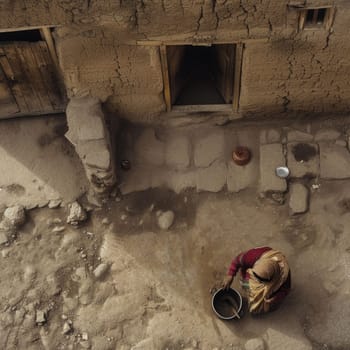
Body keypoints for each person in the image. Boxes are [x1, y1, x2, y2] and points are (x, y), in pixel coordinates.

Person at [222, 246, 291, 314]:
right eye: (255, 276)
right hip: (255, 277)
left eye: (260, 280)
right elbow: (237, 260)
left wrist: (275, 298)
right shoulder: (254, 256)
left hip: (268, 288)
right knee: (246, 285)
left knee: (262, 306)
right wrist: (230, 275)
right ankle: (249, 289)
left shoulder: (284, 276)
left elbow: (286, 290)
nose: (256, 281)